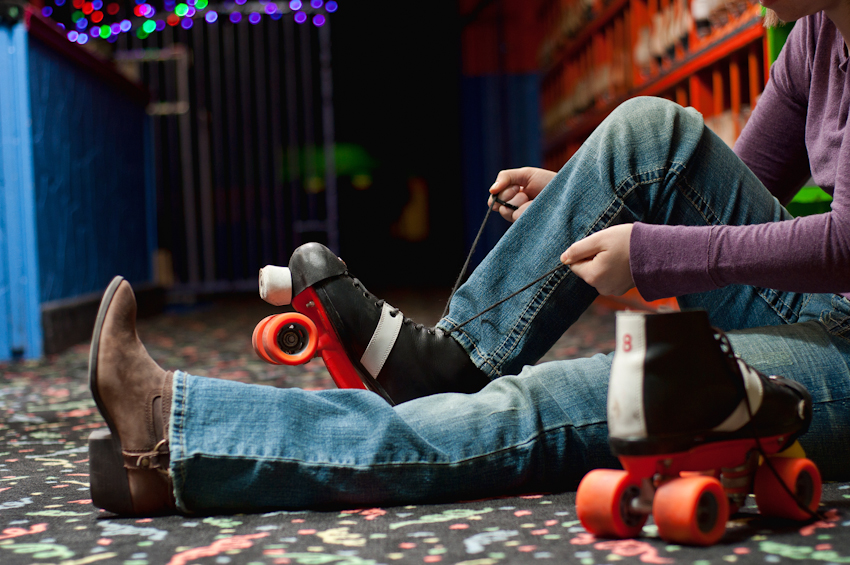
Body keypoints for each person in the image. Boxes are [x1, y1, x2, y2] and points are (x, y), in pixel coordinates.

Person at [88, 1, 850, 516]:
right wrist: (582, 196)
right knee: (650, 131)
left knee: (561, 397)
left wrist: (651, 251)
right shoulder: (814, 36)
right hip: (823, 313)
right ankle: (449, 361)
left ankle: (183, 440)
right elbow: (722, 187)